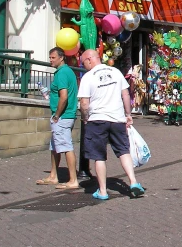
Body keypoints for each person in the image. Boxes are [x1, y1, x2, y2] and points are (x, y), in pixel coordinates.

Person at [77, 49, 144, 200]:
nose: (84, 65)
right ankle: (133, 182)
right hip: (117, 118)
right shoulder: (115, 72)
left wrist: (85, 118)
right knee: (123, 151)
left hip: (97, 119)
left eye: (83, 62)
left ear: (89, 60)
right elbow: (125, 94)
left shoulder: (88, 77)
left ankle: (102, 191)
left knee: (98, 156)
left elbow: (84, 103)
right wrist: (128, 114)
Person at [36, 47, 80, 189]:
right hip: (67, 115)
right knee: (54, 147)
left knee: (66, 147)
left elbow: (64, 96)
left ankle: (73, 180)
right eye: (50, 57)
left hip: (63, 116)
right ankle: (53, 176)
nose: (50, 60)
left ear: (61, 57)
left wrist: (57, 115)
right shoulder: (68, 72)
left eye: (53, 57)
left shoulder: (61, 74)